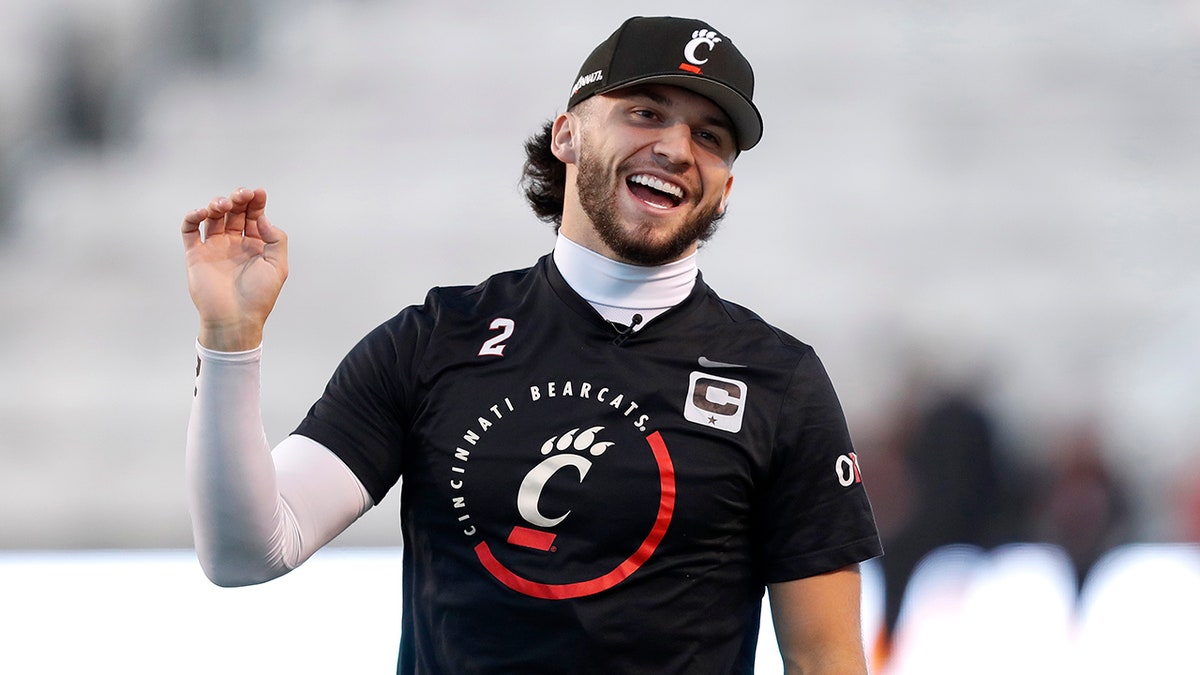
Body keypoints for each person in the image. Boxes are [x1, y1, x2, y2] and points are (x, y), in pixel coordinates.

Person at [182, 16, 881, 674]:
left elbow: (826, 660)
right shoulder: (432, 340)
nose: (675, 147)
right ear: (567, 134)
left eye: (710, 137)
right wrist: (229, 342)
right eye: (646, 112)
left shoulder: (779, 380)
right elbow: (246, 551)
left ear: (726, 188)